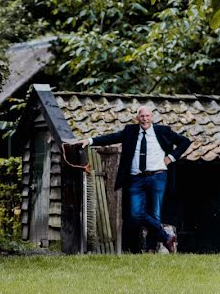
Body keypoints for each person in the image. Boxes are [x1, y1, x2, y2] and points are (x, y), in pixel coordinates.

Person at [71, 105, 191, 253]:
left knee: (155, 213)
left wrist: (171, 157)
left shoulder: (162, 131)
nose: (145, 119)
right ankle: (165, 237)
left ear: (151, 117)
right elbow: (112, 137)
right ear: (137, 118)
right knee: (135, 214)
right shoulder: (130, 131)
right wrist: (90, 141)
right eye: (142, 116)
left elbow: (185, 142)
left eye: (147, 116)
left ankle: (150, 248)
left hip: (158, 176)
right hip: (136, 179)